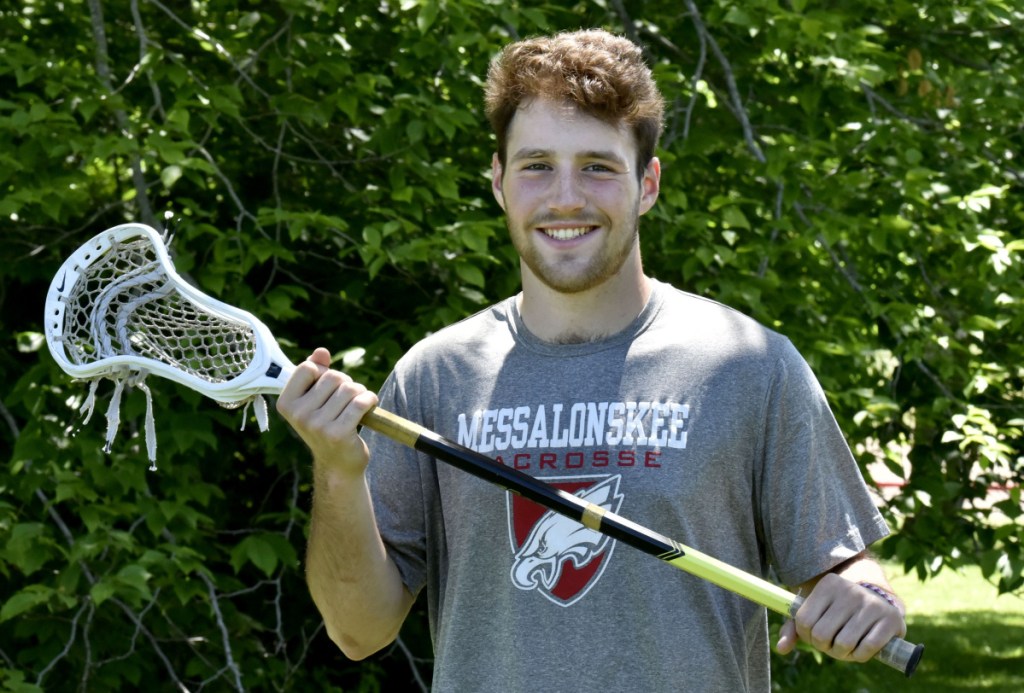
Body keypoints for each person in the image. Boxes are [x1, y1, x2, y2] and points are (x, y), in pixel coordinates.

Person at [277, 28, 908, 692]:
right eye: (537, 165)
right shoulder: (435, 375)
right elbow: (357, 629)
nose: (567, 197)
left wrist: (869, 598)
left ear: (648, 183)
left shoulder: (749, 365)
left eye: (599, 167)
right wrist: (339, 471)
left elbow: (846, 570)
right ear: (499, 181)